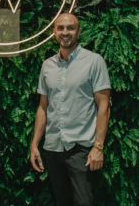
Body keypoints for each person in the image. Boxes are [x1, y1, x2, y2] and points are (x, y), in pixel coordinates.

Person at [30, 13, 111, 206]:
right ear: (54, 32)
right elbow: (43, 107)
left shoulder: (94, 61)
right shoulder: (47, 65)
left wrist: (98, 147)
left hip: (81, 151)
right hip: (53, 148)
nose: (65, 32)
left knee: (84, 202)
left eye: (70, 28)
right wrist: (35, 144)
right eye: (61, 28)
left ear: (79, 31)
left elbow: (104, 106)